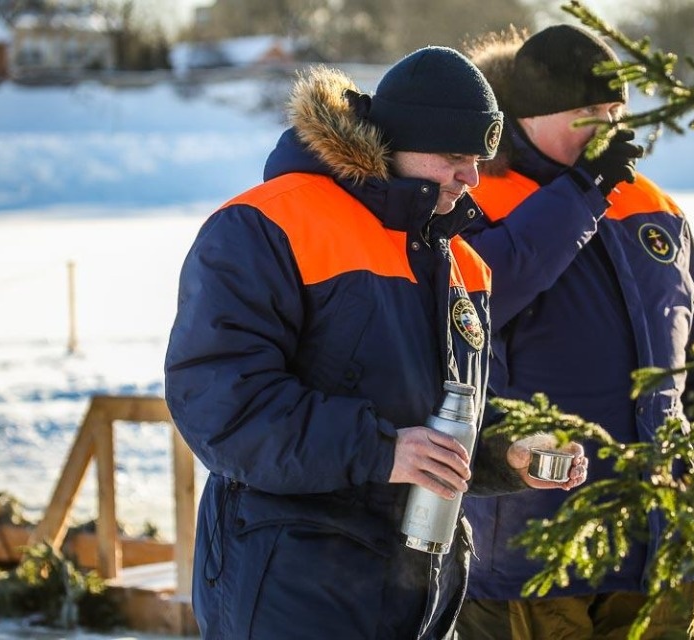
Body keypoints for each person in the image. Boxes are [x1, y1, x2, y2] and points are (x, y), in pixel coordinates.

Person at [164, 46, 590, 640]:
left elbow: (438, 418)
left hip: (417, 590)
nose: (472, 178)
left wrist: (507, 453)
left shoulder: (462, 262)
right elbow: (220, 405)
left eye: (479, 159)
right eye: (456, 156)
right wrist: (380, 449)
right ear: (399, 142)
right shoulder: (267, 224)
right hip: (291, 587)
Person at [455, 25, 694, 639]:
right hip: (533, 547)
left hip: (657, 539)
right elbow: (481, 295)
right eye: (587, 113)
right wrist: (585, 193)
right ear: (527, 117)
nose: (610, 127)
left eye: (616, 110)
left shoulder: (652, 206)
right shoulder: (475, 196)